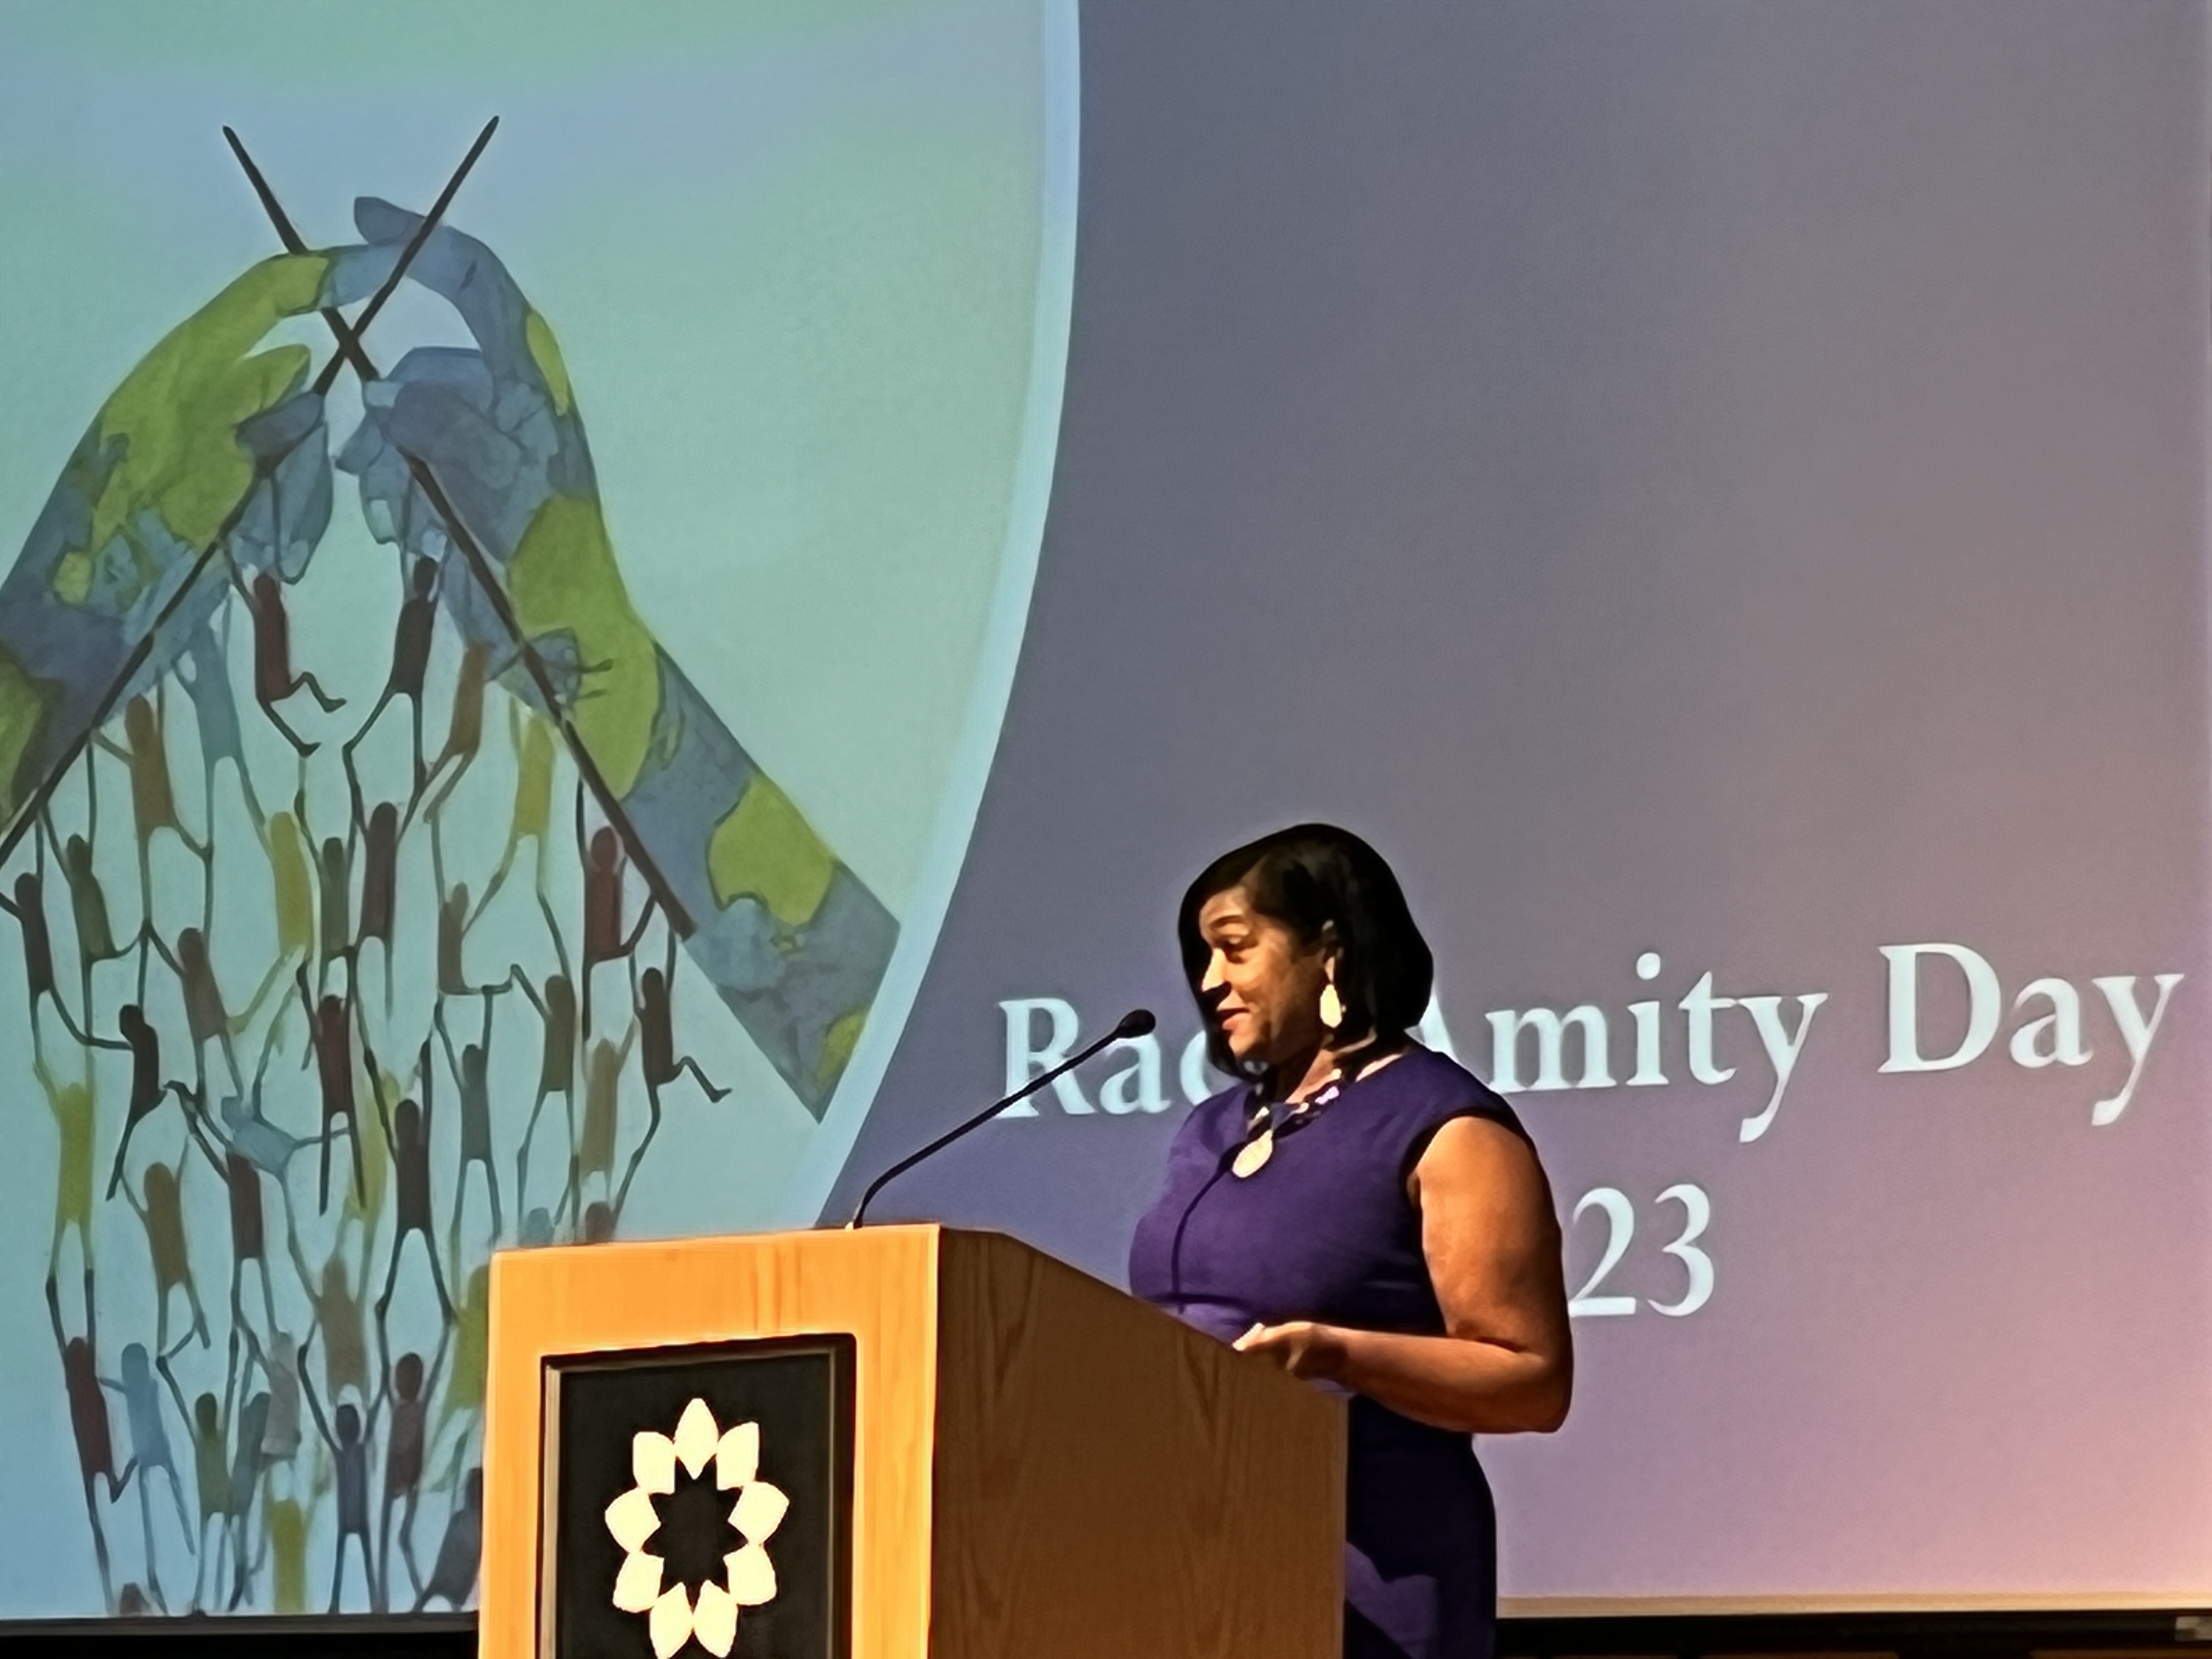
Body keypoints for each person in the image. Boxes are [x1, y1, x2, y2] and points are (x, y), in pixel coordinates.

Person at [1127, 825, 1572, 1659]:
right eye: (1202, 957)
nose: (1209, 981)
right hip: (1192, 1553)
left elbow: (1531, 1381)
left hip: (1370, 1561)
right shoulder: (1208, 1132)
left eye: (1235, 949)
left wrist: (1336, 1354)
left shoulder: (1446, 1127)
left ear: (1328, 952)